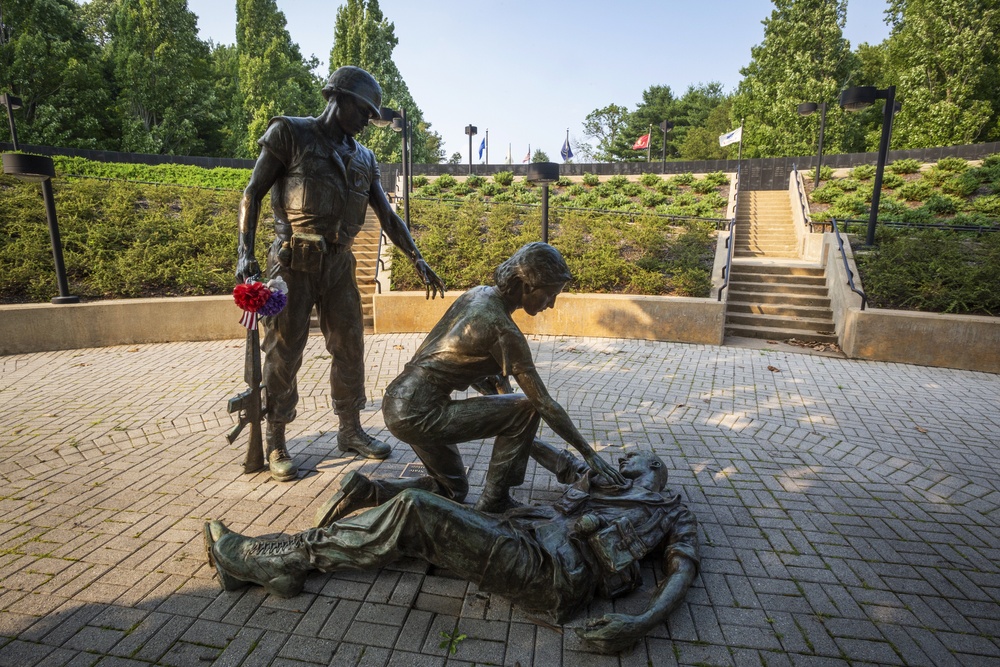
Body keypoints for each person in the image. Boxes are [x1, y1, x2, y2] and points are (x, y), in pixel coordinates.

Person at [205, 443, 699, 654]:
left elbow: (682, 573)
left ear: (652, 468)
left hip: (552, 573)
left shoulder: (671, 510)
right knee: (420, 523)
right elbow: (554, 455)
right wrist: (513, 409)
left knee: (419, 510)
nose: (619, 457)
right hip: (518, 540)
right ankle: (280, 562)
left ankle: (278, 559)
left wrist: (641, 622)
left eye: (630, 456)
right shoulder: (598, 482)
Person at [235, 66, 445, 482]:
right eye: (365, 111)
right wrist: (244, 252)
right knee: (284, 350)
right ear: (340, 98)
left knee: (350, 346)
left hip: (338, 265)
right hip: (293, 264)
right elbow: (251, 193)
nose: (369, 122)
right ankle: (275, 437)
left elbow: (387, 215)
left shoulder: (364, 158)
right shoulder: (289, 133)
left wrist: (416, 257)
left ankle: (349, 430)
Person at [315, 242, 623, 522]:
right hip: (420, 412)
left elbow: (466, 365)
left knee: (452, 490)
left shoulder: (477, 295)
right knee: (526, 409)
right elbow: (542, 403)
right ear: (529, 285)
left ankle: (366, 492)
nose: (551, 304)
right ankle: (495, 502)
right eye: (551, 293)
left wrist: (502, 407)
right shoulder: (504, 331)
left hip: (398, 399)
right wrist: (589, 453)